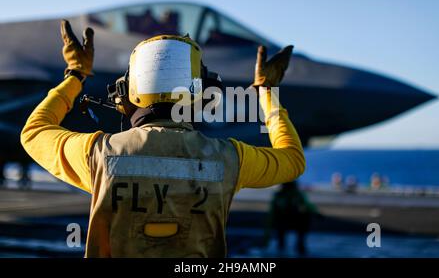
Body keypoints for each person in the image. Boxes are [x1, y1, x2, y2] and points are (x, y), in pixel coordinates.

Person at [20, 20, 305, 257]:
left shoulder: (98, 154)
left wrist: (75, 75)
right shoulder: (229, 158)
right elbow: (293, 159)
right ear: (203, 95)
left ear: (125, 93)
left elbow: (34, 132)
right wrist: (267, 93)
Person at [268, 181, 317, 256]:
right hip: (286, 220)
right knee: (302, 220)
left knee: (303, 218)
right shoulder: (292, 194)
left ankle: (291, 246)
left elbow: (307, 205)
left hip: (288, 220)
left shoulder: (288, 194)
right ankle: (296, 246)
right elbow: (308, 205)